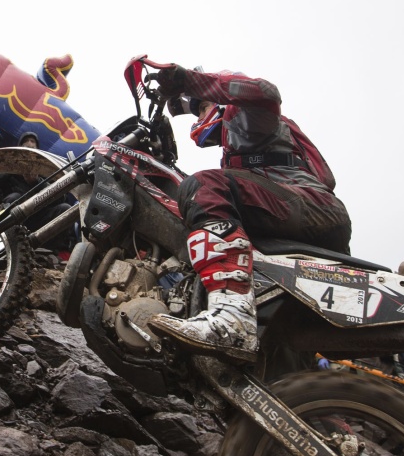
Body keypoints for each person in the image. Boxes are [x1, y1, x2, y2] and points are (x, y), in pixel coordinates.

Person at [150, 64, 352, 359]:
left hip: (311, 207)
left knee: (203, 186)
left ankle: (232, 317)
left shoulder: (249, 118)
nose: (200, 117)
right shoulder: (239, 151)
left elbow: (265, 92)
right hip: (300, 214)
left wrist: (189, 81)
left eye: (203, 107)